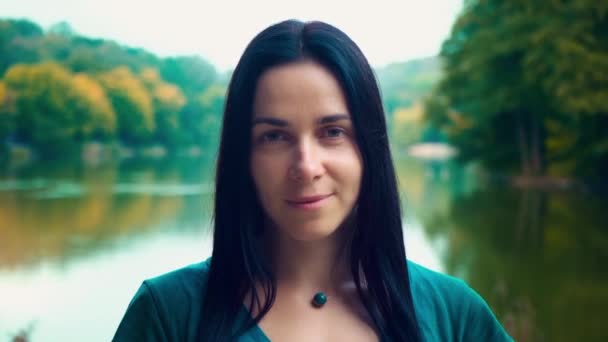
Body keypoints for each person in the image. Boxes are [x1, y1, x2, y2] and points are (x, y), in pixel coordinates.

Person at [113, 19, 513, 342]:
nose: (306, 165)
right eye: (274, 136)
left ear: (368, 149)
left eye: (332, 132)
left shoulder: (453, 314)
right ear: (243, 157)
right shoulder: (169, 313)